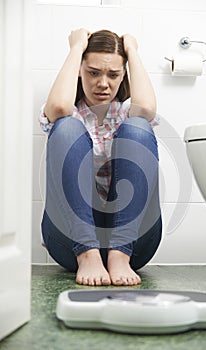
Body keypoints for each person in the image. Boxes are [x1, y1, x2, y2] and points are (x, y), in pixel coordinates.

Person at [39, 28, 162, 286]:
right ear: (80, 71)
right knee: (66, 127)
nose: (103, 83)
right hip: (71, 243)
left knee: (139, 127)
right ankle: (87, 254)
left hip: (134, 245)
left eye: (113, 74)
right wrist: (75, 48)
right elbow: (60, 108)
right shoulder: (69, 110)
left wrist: (132, 52)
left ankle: (119, 254)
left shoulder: (128, 111)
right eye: (93, 72)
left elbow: (147, 109)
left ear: (123, 75)